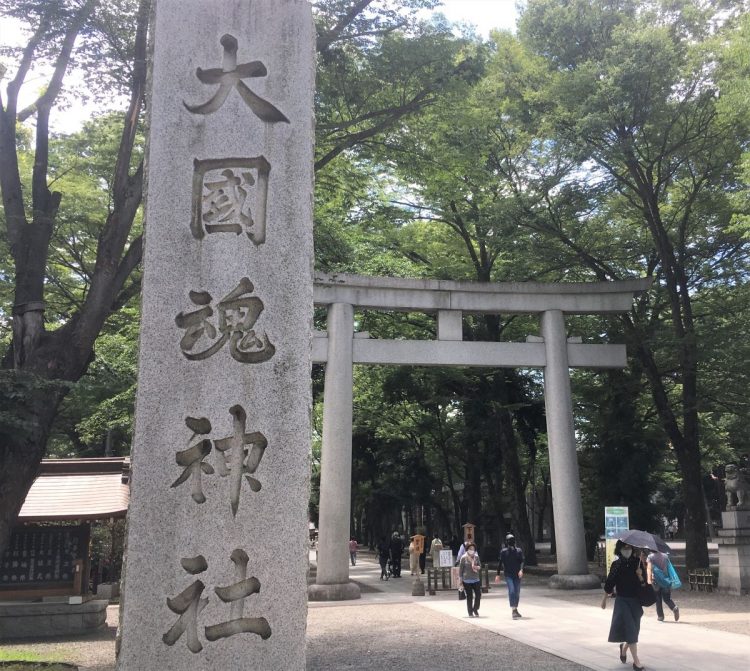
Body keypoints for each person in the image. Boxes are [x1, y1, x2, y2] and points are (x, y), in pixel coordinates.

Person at [604, 541, 646, 671]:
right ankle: (636, 662)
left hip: (635, 601)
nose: (627, 550)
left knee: (635, 630)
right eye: (624, 548)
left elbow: (644, 584)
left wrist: (640, 576)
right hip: (622, 601)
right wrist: (604, 599)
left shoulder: (637, 563)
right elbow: (609, 584)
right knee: (631, 630)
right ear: (619, 549)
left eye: (629, 547)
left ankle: (624, 650)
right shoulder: (616, 565)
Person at [646, 550, 679, 622]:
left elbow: (649, 568)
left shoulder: (650, 557)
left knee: (658, 599)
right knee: (667, 599)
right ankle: (674, 607)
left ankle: (660, 616)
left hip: (656, 581)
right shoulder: (665, 556)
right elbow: (669, 568)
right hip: (666, 580)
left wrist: (649, 579)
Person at [497, 533, 524, 619]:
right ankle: (513, 610)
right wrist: (498, 574)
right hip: (508, 574)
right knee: (512, 591)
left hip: (517, 574)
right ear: (506, 542)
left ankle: (515, 609)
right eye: (509, 540)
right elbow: (500, 563)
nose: (511, 542)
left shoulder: (518, 551)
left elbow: (522, 561)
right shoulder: (504, 552)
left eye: (512, 540)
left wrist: (521, 570)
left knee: (517, 592)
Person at [458, 541, 482, 617]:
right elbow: (460, 570)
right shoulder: (463, 558)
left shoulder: (476, 557)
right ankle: (470, 612)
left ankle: (475, 608)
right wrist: (460, 581)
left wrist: (477, 567)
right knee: (470, 596)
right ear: (467, 549)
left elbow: (480, 566)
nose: (472, 550)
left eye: (473, 548)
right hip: (466, 580)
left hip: (476, 579)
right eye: (470, 548)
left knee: (478, 595)